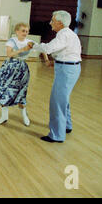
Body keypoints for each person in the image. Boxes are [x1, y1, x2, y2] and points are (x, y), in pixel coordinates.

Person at [31, 10, 82, 143]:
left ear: (60, 22)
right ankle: (66, 126)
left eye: (52, 21)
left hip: (67, 70)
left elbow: (48, 48)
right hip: (69, 68)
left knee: (57, 101)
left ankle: (57, 135)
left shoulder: (63, 35)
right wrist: (56, 61)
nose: (50, 23)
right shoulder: (69, 34)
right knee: (63, 98)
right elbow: (69, 52)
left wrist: (33, 45)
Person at [0, 22, 33, 126]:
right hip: (9, 68)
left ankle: (24, 116)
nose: (25, 33)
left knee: (21, 92)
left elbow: (41, 49)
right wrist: (22, 49)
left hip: (22, 69)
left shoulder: (30, 42)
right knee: (5, 90)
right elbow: (9, 54)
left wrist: (46, 59)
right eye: (23, 31)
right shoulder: (11, 41)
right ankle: (4, 116)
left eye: (27, 31)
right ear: (17, 31)